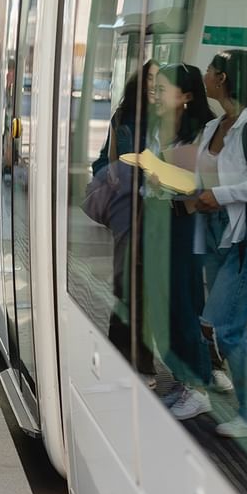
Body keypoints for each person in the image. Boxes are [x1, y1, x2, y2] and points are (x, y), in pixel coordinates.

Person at [193, 49, 247, 439]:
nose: (206, 75)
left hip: (246, 242)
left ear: (223, 78)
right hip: (216, 237)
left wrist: (222, 195)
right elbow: (203, 172)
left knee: (227, 330)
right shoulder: (216, 126)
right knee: (223, 329)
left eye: (211, 70)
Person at [142, 63, 216, 420]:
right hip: (158, 219)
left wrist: (161, 177)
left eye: (164, 88)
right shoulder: (161, 127)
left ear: (186, 96)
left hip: (181, 225)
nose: (157, 94)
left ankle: (199, 387)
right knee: (163, 306)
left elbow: (198, 185)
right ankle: (185, 382)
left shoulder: (201, 133)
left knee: (183, 306)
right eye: (156, 87)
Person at [94, 61, 160, 384]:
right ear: (140, 81)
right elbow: (107, 156)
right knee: (126, 285)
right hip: (126, 211)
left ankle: (141, 362)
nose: (154, 85)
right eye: (150, 78)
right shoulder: (123, 116)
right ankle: (122, 357)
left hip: (155, 212)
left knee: (144, 288)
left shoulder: (165, 119)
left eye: (159, 81)